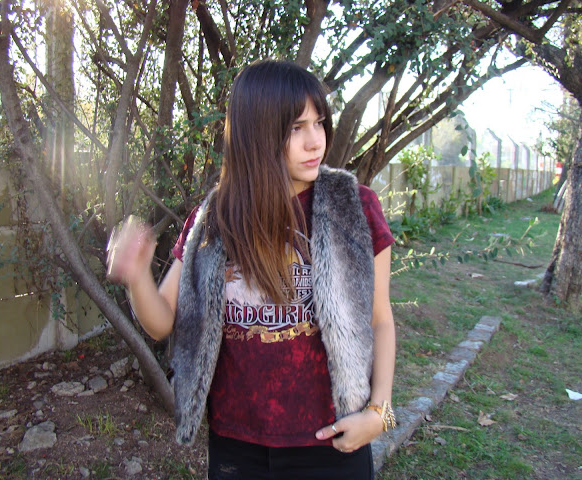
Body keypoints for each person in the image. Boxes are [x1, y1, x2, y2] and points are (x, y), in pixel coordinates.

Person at [106, 59, 396, 480]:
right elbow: (162, 321)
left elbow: (380, 318)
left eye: (319, 123)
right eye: (296, 128)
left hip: (334, 440)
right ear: (256, 133)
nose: (315, 141)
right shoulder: (215, 218)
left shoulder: (354, 207)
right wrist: (137, 278)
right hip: (237, 446)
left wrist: (379, 412)